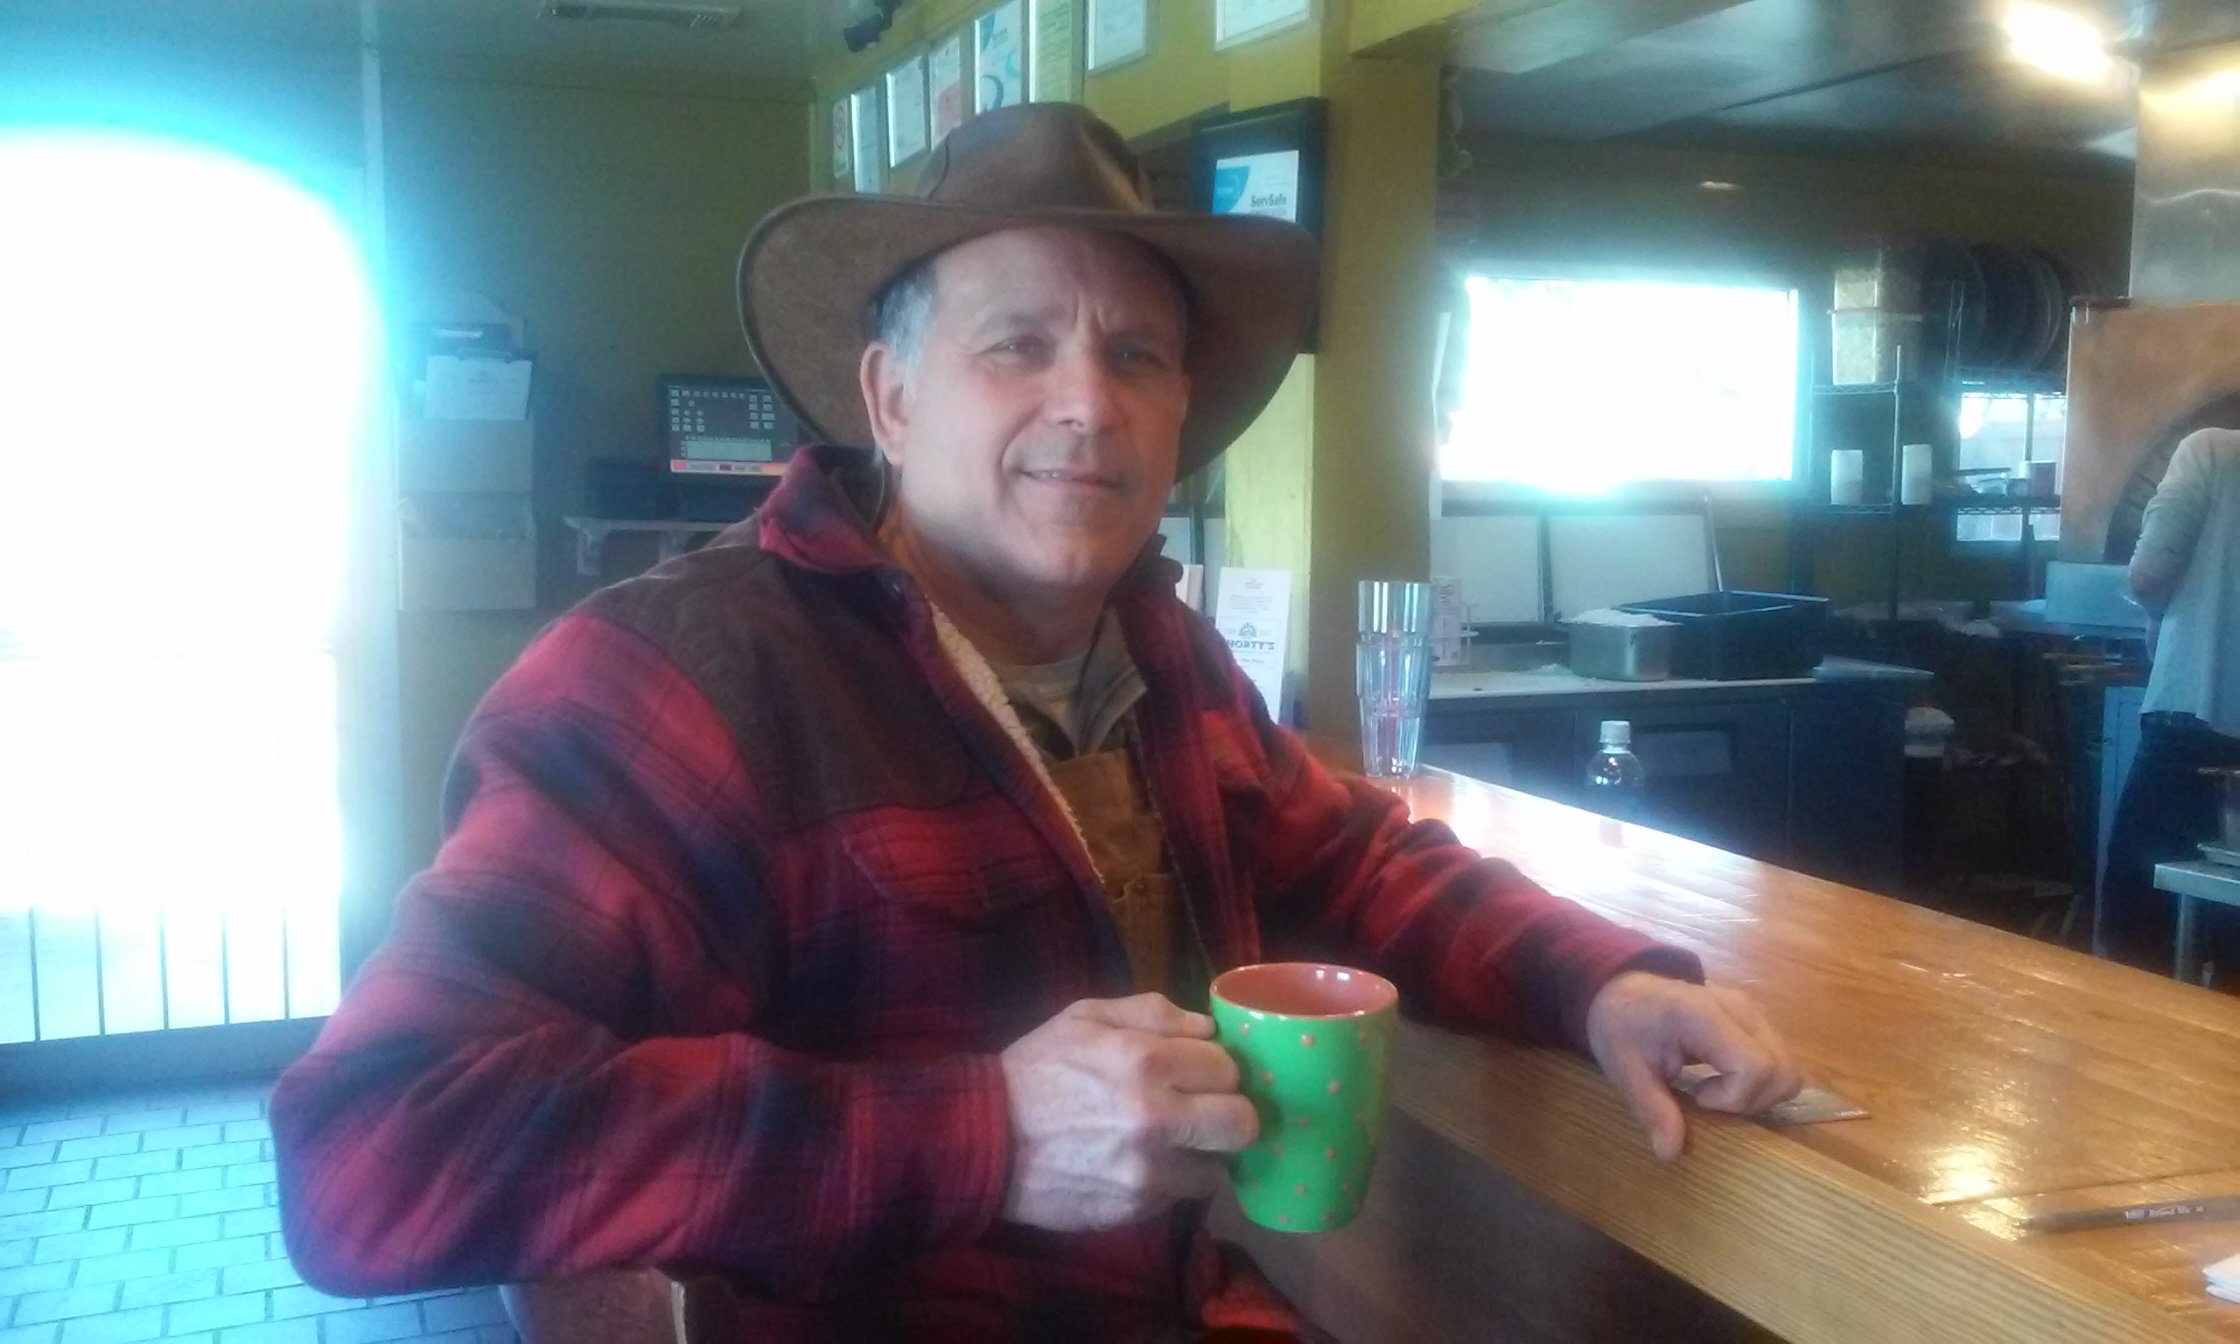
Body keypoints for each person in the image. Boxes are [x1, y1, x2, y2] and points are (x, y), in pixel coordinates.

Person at [270, 104, 1800, 1340]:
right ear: (888, 397)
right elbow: (372, 1157)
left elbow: (1357, 864)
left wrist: (1597, 981)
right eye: (1018, 345)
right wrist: (983, 1129)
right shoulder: (676, 676)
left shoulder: (1158, 648)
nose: (1090, 403)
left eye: (1137, 356)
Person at [2106, 427, 2240, 977]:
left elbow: (2150, 572)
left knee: (2139, 926)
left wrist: (2155, 616)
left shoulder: (2210, 452)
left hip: (2194, 718)